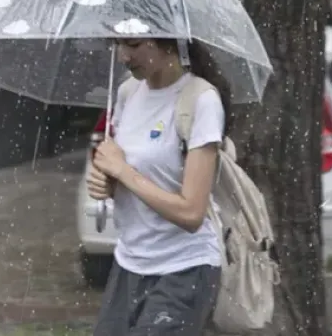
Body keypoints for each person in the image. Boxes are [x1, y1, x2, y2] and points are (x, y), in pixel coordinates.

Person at [88, 38, 230, 335]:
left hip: (184, 267)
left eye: (135, 44)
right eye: (118, 44)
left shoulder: (200, 100)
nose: (124, 56)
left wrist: (123, 172)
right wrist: (107, 184)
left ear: (168, 43)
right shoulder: (127, 92)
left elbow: (192, 213)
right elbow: (132, 178)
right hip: (130, 263)